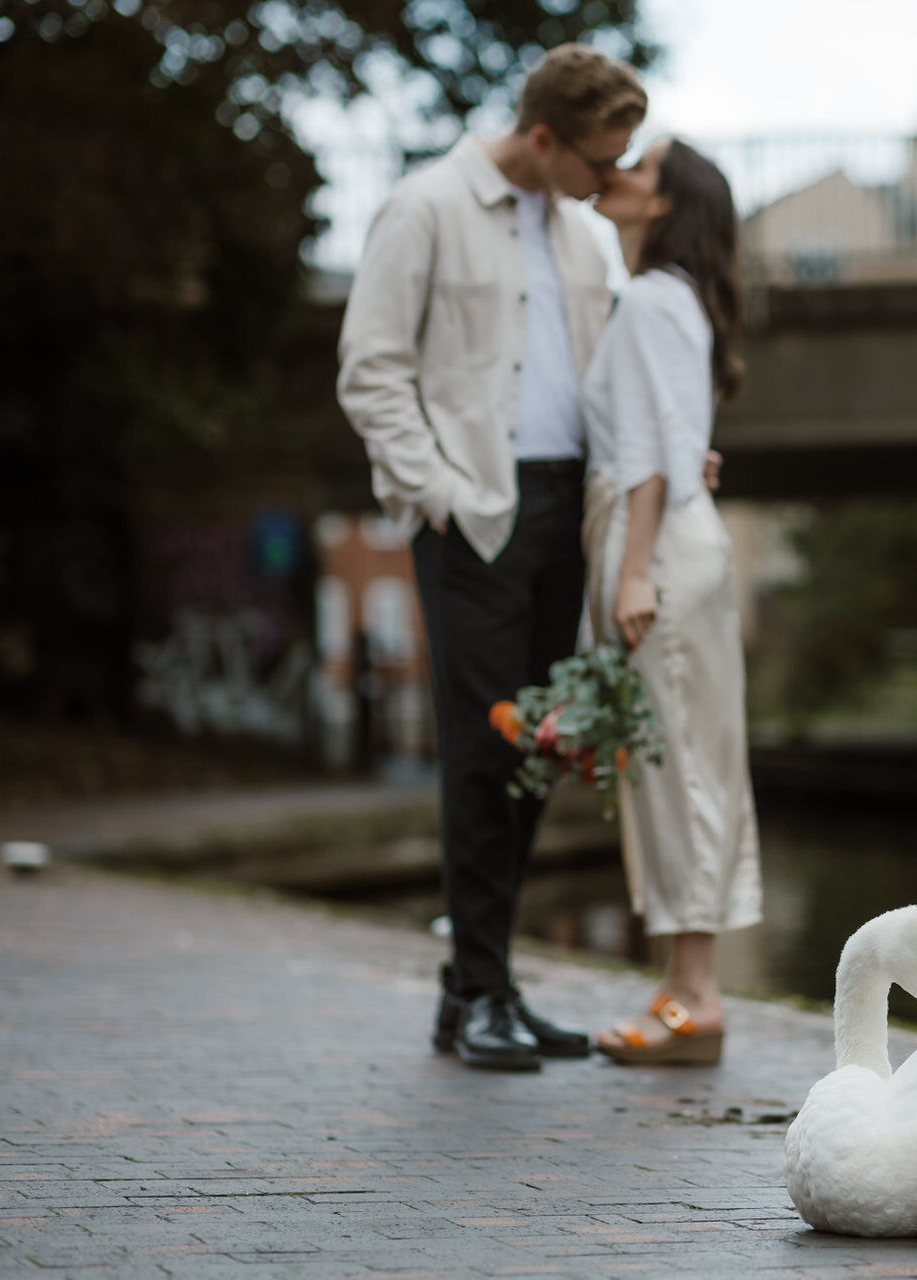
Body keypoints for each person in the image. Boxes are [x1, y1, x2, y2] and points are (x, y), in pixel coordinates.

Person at [335, 44, 645, 1071]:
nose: (610, 182)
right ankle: (481, 992)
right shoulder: (424, 207)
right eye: (599, 162)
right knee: (481, 750)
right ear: (544, 137)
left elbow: (603, 373)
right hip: (475, 513)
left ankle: (481, 985)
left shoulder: (580, 236)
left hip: (567, 507)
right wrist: (440, 497)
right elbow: (370, 370)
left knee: (536, 749)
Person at [580, 138, 761, 1065]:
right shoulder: (671, 302)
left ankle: (697, 1000)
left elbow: (650, 451)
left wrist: (633, 568)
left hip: (659, 547)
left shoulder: (653, 301)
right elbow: (674, 441)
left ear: (665, 205)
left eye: (638, 167)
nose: (613, 169)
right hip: (673, 536)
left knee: (681, 768)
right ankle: (680, 986)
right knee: (676, 764)